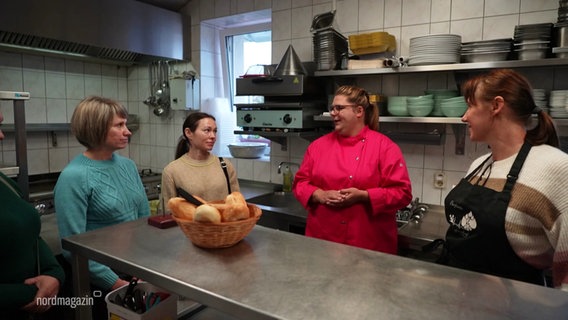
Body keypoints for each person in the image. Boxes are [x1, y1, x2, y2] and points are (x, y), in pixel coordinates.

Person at [441, 69, 568, 290]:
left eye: (471, 105)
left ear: (496, 106)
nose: (464, 116)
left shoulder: (555, 168)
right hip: (461, 300)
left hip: (517, 309)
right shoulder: (479, 165)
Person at [54, 96, 150, 316]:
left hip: (135, 274)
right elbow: (71, 247)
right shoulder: (74, 177)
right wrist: (116, 283)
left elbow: (144, 223)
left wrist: (144, 271)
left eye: (126, 124)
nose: (128, 131)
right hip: (97, 285)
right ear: (95, 128)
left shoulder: (128, 166)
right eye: (119, 125)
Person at [293, 85, 413, 254]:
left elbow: (403, 193)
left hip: (368, 246)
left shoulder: (384, 147)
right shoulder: (317, 147)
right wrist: (319, 194)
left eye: (339, 108)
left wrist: (364, 196)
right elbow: (300, 183)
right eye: (332, 108)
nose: (333, 113)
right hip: (323, 242)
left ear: (358, 111)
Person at [0, 110, 65, 319]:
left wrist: (53, 273)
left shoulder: (5, 183)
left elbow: (31, 235)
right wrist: (32, 293)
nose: (2, 136)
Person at [161, 112, 239, 207]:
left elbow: (237, 204)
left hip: (223, 222)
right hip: (189, 222)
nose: (213, 136)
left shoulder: (225, 165)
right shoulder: (172, 171)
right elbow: (168, 211)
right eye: (207, 130)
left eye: (215, 131)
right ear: (188, 133)